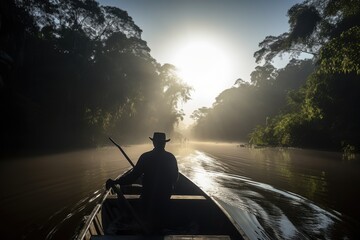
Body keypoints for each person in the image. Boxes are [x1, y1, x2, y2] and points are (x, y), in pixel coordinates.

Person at [106, 132, 179, 232]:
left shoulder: (146, 157)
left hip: (147, 197)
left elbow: (132, 177)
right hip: (165, 197)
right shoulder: (170, 157)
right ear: (164, 143)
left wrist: (116, 182)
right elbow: (175, 178)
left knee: (144, 205)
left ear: (154, 143)